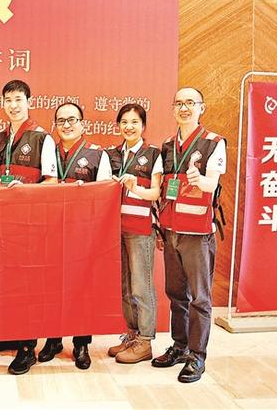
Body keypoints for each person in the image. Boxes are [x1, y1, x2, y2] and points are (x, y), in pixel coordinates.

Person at [152, 87, 226, 383]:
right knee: (176, 294)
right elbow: (163, 188)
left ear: (201, 108)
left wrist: (200, 179)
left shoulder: (214, 143)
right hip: (171, 230)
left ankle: (197, 355)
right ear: (173, 109)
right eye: (179, 103)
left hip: (197, 233)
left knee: (199, 298)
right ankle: (179, 346)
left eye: (190, 103)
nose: (184, 108)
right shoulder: (168, 145)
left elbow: (212, 185)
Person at [0, 79, 58, 375]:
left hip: (31, 223)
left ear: (29, 102)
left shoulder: (43, 138)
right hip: (2, 221)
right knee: (7, 279)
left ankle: (28, 348)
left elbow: (52, 182)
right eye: (8, 100)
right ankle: (13, 334)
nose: (13, 105)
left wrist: (24, 190)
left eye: (18, 99)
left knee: (29, 283)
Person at [37, 102, 112, 370]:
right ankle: (53, 339)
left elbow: (105, 194)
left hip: (84, 233)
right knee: (50, 286)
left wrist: (87, 193)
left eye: (72, 120)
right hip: (50, 230)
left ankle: (81, 344)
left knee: (82, 288)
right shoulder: (47, 152)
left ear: (83, 124)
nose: (66, 125)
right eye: (61, 121)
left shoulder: (97, 155)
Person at [105, 103, 162, 364]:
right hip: (116, 229)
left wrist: (135, 187)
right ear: (118, 125)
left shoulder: (153, 154)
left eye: (134, 122)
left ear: (143, 126)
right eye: (124, 122)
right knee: (125, 287)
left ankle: (146, 341)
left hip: (140, 229)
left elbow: (156, 193)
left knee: (142, 286)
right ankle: (132, 335)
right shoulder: (112, 155)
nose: (129, 127)